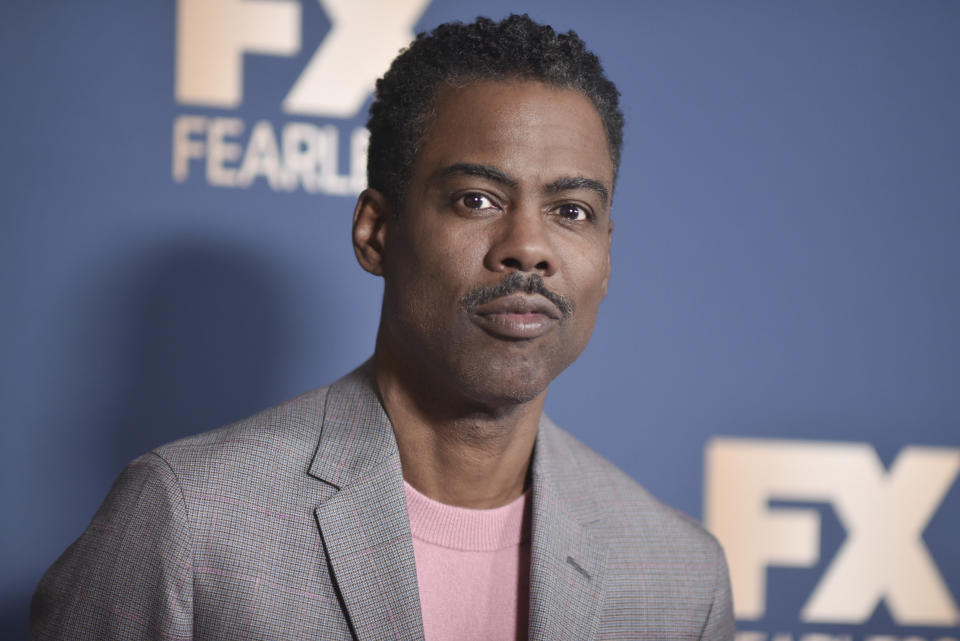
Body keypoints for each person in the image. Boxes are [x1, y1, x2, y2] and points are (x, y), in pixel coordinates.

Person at [31, 14, 734, 641]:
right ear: (375, 231)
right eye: (477, 199)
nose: (529, 246)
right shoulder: (187, 520)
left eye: (572, 211)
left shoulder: (679, 576)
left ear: (607, 257)